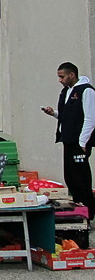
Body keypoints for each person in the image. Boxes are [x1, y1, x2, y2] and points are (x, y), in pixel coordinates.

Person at [42, 62, 95, 219]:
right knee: (70, 176)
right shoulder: (66, 91)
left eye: (62, 76)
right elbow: (69, 115)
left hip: (79, 142)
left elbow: (90, 118)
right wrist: (54, 114)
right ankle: (79, 206)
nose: (60, 80)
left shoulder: (86, 91)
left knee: (81, 177)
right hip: (68, 139)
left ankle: (88, 211)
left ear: (72, 75)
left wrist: (83, 142)